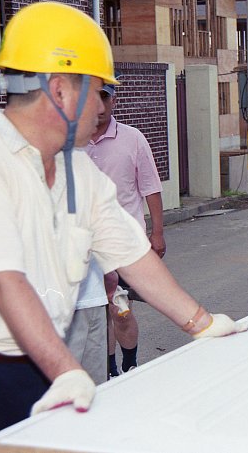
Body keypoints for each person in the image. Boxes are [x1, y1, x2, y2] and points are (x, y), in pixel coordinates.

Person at [0, 1, 246, 453]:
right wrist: (66, 369)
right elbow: (2, 280)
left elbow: (133, 257)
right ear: (60, 90)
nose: (103, 105)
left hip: (38, 365)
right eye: (97, 90)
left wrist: (203, 324)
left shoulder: (80, 172)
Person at [86, 81, 165, 377]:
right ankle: (108, 371)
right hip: (86, 246)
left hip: (125, 244)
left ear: (114, 101)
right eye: (93, 98)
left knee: (120, 310)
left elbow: (150, 187)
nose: (100, 106)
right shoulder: (72, 142)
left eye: (105, 98)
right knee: (98, 312)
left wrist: (157, 232)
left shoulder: (132, 139)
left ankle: (130, 364)